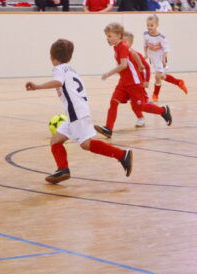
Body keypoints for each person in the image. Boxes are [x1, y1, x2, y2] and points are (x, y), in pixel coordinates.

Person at [25, 38, 134, 184]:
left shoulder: (58, 69)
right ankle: (63, 169)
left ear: (52, 57)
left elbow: (58, 82)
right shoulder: (71, 69)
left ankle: (122, 155)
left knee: (85, 144)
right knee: (56, 140)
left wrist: (37, 86)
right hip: (76, 111)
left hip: (76, 111)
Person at [95, 22, 171, 138]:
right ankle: (108, 128)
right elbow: (133, 53)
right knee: (113, 102)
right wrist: (139, 64)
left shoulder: (123, 47)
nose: (107, 39)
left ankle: (162, 111)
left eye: (109, 36)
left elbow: (123, 65)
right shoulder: (117, 47)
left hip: (133, 82)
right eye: (107, 36)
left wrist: (108, 74)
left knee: (140, 106)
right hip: (123, 83)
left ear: (118, 35)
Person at [144, 15, 188, 101]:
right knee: (162, 77)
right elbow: (145, 45)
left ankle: (155, 95)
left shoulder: (161, 37)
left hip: (160, 58)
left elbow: (166, 49)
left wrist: (164, 58)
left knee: (157, 76)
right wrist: (145, 54)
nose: (149, 27)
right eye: (148, 25)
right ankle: (179, 82)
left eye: (151, 25)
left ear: (157, 25)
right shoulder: (145, 34)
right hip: (152, 58)